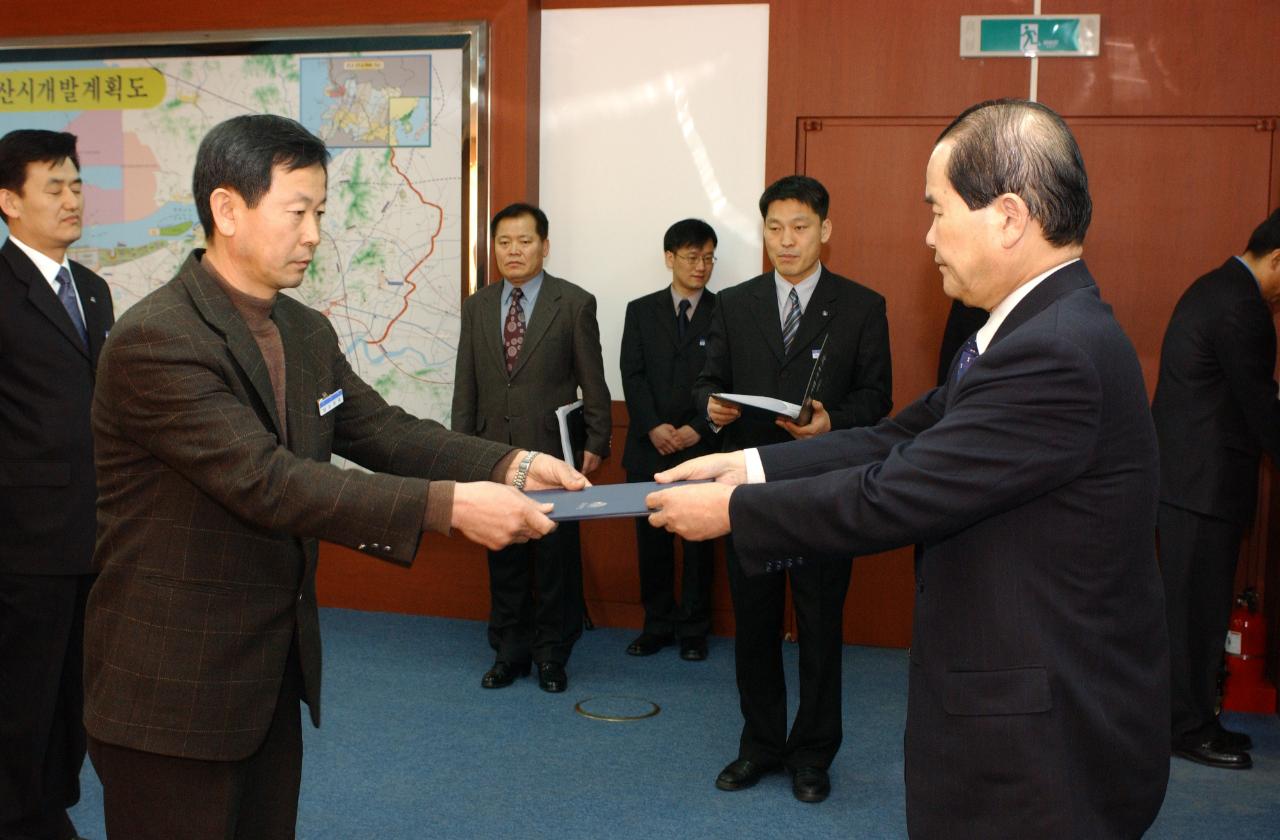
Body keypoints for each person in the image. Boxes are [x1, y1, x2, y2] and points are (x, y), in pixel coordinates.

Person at [649, 99, 1170, 837]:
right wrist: (752, 464)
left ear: (1010, 217)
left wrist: (734, 512)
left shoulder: (1053, 350)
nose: (926, 237)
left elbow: (893, 492)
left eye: (937, 210)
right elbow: (896, 436)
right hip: (1017, 705)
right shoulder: (1029, 328)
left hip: (1044, 745)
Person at [82, 114, 586, 839]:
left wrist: (510, 463)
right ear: (228, 210)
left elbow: (381, 431)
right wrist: (448, 507)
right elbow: (268, 481)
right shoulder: (157, 340)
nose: (316, 233)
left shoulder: (304, 330)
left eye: (320, 212)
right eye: (299, 212)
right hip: (173, 686)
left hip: (269, 672)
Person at [692, 175, 891, 803]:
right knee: (752, 626)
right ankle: (759, 745)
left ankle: (812, 754)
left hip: (823, 490)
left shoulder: (862, 306)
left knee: (820, 625)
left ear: (825, 230)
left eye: (799, 227)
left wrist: (835, 421)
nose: (786, 241)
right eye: (774, 228)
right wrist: (711, 407)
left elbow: (877, 400)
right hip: (749, 488)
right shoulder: (735, 302)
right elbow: (708, 381)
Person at [0, 130, 111, 840]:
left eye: (76, 185)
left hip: (95, 534)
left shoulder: (94, 290)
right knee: (21, 688)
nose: (71, 200)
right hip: (20, 540)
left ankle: (49, 801)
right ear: (9, 202)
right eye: (54, 188)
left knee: (74, 686)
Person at [452, 202, 611, 694]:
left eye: (524, 241)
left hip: (552, 452)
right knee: (505, 552)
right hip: (492, 452)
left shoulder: (575, 303)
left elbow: (593, 382)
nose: (514, 251)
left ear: (545, 245)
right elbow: (466, 384)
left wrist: (598, 439)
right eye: (504, 242)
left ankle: (552, 654)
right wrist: (461, 448)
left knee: (554, 559)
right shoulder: (478, 306)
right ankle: (510, 652)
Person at [1151, 208, 1280, 771]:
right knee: (1194, 615)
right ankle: (1189, 728)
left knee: (1193, 611)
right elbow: (1262, 409)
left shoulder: (1218, 289)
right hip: (1200, 488)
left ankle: (1194, 717)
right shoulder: (1241, 306)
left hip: (1187, 483)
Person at [619, 218, 720, 661]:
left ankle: (695, 630)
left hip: (702, 446)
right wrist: (651, 426)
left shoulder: (727, 310)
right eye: (692, 257)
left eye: (709, 257)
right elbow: (632, 373)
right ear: (669, 259)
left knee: (699, 545)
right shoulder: (640, 310)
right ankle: (656, 624)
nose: (701, 266)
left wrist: (699, 426)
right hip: (649, 445)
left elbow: (728, 379)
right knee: (652, 544)